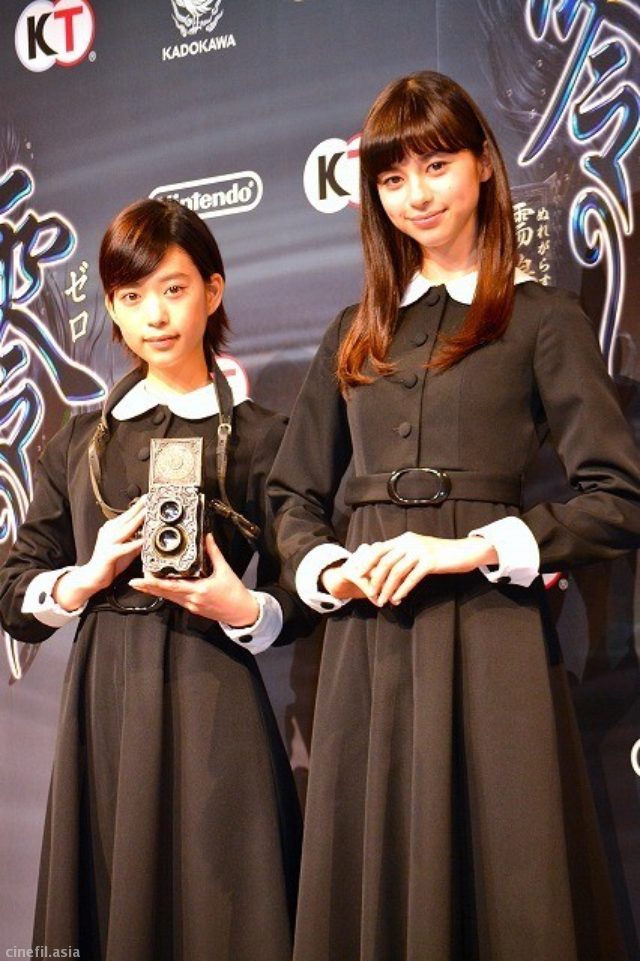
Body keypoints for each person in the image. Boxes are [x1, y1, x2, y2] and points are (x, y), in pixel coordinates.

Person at [268, 71, 640, 961]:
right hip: (368, 641)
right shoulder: (353, 331)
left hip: (491, 634)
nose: (417, 195)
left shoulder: (541, 317)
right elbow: (291, 495)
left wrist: (472, 547)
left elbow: (616, 496)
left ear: (481, 163)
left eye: (436, 165)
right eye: (393, 177)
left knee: (507, 880)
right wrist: (327, 566)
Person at [0, 198, 312, 961]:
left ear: (213, 289)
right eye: (132, 295)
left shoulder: (264, 436)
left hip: (216, 696)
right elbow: (14, 591)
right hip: (106, 701)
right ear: (111, 306)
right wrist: (84, 576)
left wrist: (245, 607)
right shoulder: (78, 442)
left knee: (225, 915)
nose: (156, 315)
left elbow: (303, 586)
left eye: (174, 289)